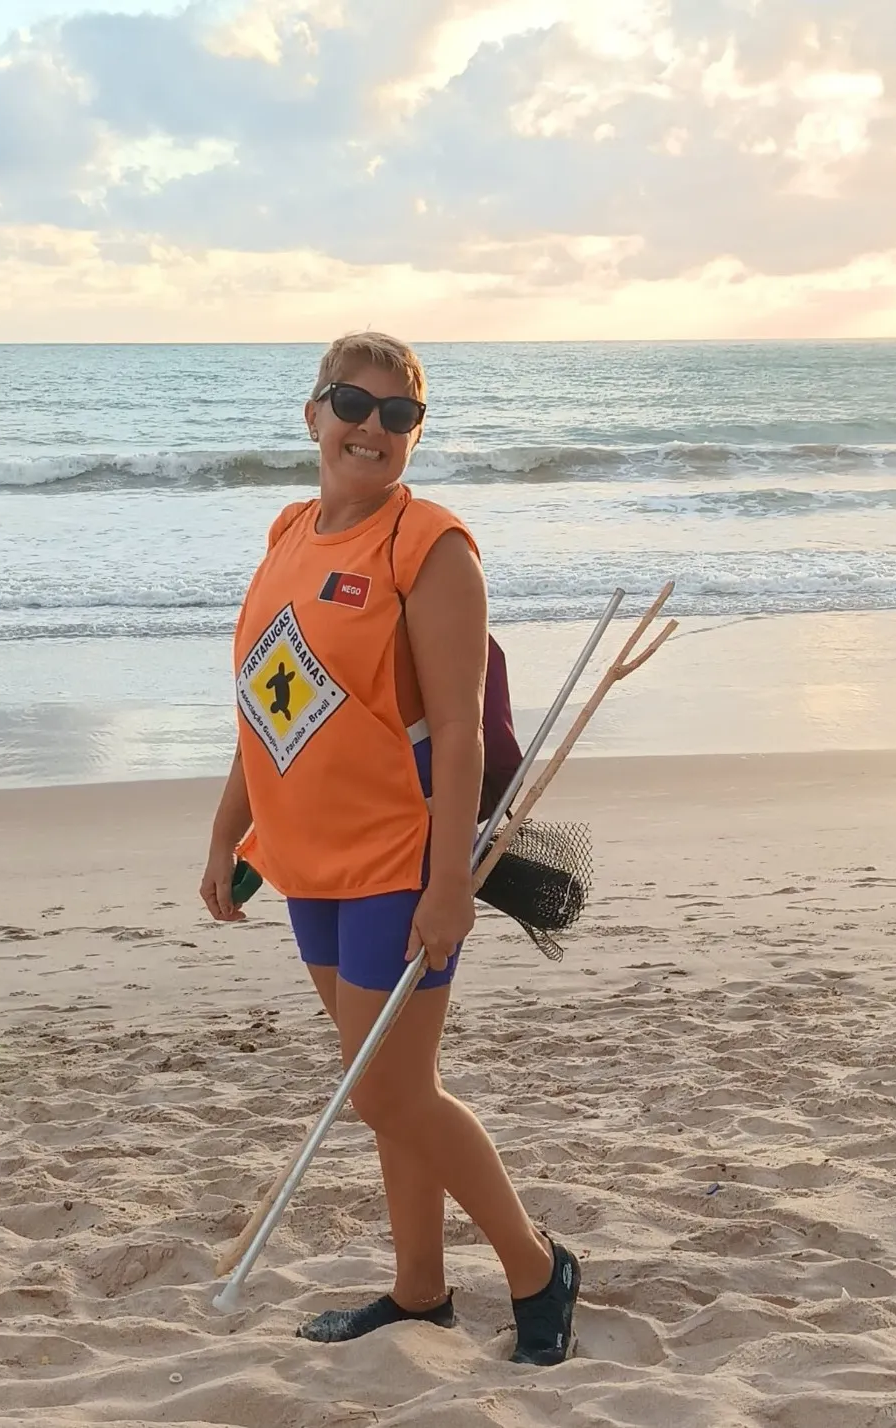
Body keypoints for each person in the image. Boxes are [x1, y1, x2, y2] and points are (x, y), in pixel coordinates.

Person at [199, 331, 580, 1366]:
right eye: (351, 405)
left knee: (386, 1090)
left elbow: (456, 731)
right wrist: (229, 833)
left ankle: (536, 1266)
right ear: (313, 413)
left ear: (415, 431)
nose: (371, 428)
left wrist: (449, 882)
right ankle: (419, 1290)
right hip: (306, 859)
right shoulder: (289, 533)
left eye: (397, 414)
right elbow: (270, 710)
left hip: (397, 860)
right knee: (392, 1091)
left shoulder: (430, 547)